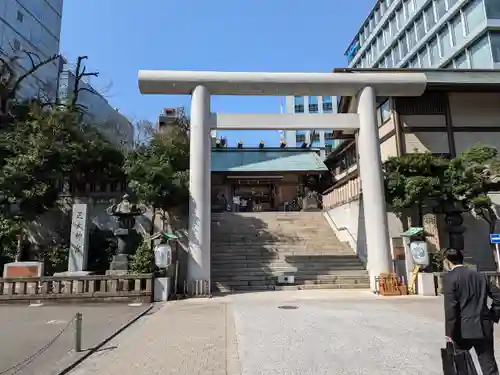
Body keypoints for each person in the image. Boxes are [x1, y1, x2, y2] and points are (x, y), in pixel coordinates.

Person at [443, 248, 500, 375]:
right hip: (483, 325)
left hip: (462, 328)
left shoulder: (449, 278)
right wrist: (493, 315)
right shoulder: (481, 276)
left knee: (462, 363)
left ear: (447, 262)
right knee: (488, 363)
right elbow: (498, 297)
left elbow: (451, 308)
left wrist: (449, 333)